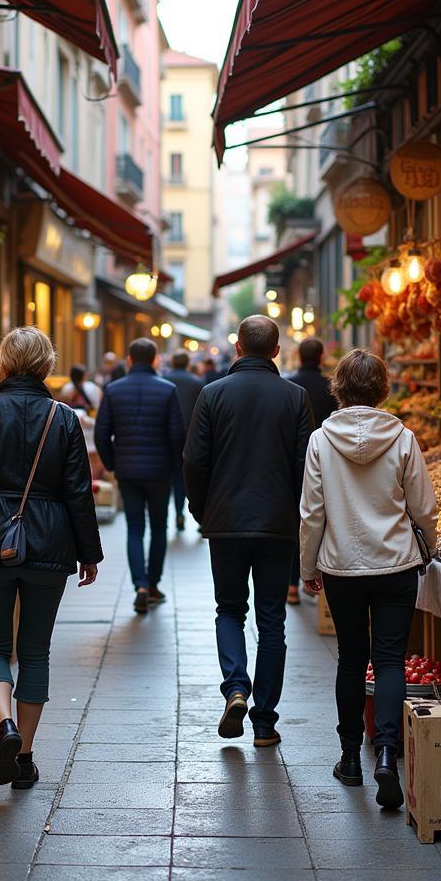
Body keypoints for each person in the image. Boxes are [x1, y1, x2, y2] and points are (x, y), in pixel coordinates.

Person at [0, 327, 103, 790]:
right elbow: (78, 492)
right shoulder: (64, 418)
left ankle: (3, 723)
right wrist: (90, 553)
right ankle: (24, 756)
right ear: (47, 365)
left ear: (3, 364)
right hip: (50, 545)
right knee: (35, 651)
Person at [299, 348, 438, 810]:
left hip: (343, 567)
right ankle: (385, 754)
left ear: (338, 387)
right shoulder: (403, 437)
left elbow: (312, 513)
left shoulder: (321, 440)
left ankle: (349, 759)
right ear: (382, 388)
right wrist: (431, 548)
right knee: (391, 660)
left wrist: (308, 567)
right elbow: (423, 507)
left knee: (350, 660)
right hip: (397, 564)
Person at [183, 315, 313, 748]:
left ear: (237, 347)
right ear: (276, 351)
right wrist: (300, 519)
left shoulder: (212, 394)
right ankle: (264, 722)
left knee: (229, 610)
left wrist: (202, 510)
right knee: (272, 619)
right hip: (277, 524)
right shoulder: (295, 398)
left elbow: (195, 460)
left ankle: (236, 687)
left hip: (226, 522)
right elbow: (305, 469)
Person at [95, 338, 185, 614]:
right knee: (159, 527)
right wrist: (173, 466)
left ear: (130, 360)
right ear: (155, 359)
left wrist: (112, 463)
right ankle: (154, 584)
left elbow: (101, 433)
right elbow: (176, 435)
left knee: (135, 528)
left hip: (128, 470)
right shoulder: (168, 389)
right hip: (159, 472)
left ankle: (140, 586)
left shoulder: (113, 390)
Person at [284, 338, 337, 603]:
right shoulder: (330, 387)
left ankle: (292, 585)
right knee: (322, 519)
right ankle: (317, 582)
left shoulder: (289, 384)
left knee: (299, 521)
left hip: (294, 460)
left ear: (298, 355)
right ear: (320, 357)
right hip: (325, 459)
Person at [163, 349, 204, 532]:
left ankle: (178, 512)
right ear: (188, 363)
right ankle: (198, 516)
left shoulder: (163, 381)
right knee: (191, 476)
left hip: (168, 438)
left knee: (174, 477)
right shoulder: (197, 383)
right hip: (191, 437)